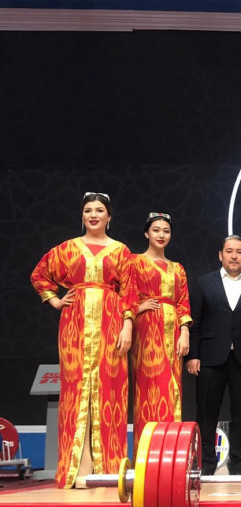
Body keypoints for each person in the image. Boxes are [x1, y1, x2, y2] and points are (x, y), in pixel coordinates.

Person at [31, 192, 135, 488]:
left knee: (109, 389)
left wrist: (127, 325)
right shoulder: (67, 248)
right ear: (82, 216)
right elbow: (39, 274)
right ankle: (78, 464)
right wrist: (54, 299)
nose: (93, 215)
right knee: (76, 388)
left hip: (110, 323)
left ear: (109, 217)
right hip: (75, 325)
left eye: (99, 210)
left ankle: (108, 466)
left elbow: (129, 290)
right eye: (88, 210)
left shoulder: (120, 250)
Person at [185, 236, 241, 475]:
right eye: (229, 251)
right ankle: (205, 463)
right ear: (220, 255)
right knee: (206, 413)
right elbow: (195, 322)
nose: (234, 256)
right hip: (210, 358)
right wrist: (192, 355)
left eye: (239, 252)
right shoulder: (203, 283)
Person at [130, 212, 192, 457]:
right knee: (148, 388)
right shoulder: (134, 262)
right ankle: (146, 453)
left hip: (173, 331)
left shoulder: (178, 268)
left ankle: (170, 453)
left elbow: (183, 302)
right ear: (147, 233)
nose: (161, 235)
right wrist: (138, 307)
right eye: (156, 230)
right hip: (146, 331)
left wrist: (184, 332)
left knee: (172, 386)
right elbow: (122, 294)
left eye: (166, 231)